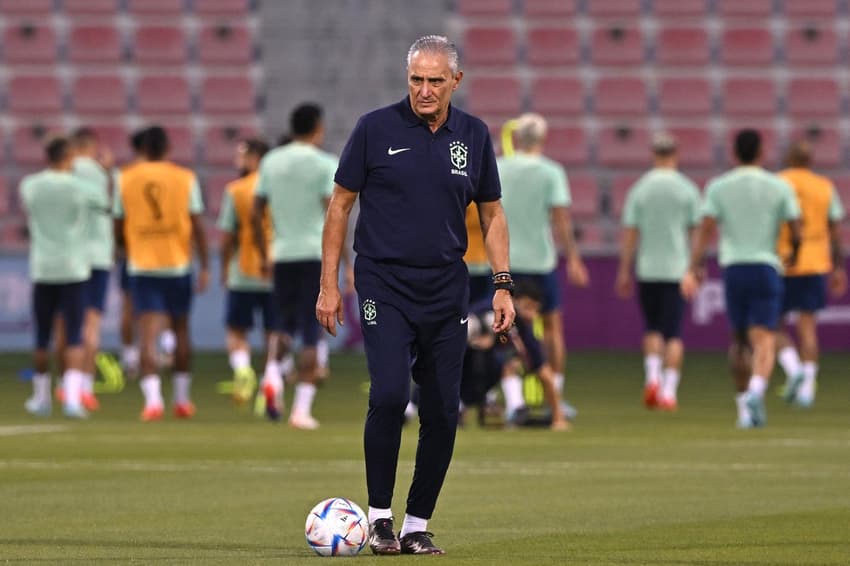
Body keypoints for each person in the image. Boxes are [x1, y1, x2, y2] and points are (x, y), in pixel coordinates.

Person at [316, 35, 514, 555]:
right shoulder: (374, 129)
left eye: (434, 81)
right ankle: (379, 518)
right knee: (387, 394)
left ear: (456, 81)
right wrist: (329, 285)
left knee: (444, 410)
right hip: (383, 282)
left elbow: (491, 213)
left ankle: (416, 525)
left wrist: (501, 284)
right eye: (416, 80)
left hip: (446, 286)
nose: (424, 90)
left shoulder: (473, 135)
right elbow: (340, 206)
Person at [682, 129, 801, 429]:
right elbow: (796, 230)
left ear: (734, 153)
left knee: (738, 341)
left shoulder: (718, 187)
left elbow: (706, 229)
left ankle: (743, 411)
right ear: (761, 152)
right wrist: (793, 256)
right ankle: (757, 391)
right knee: (764, 339)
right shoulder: (779, 186)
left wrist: (694, 265)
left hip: (733, 267)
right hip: (765, 265)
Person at [253, 103, 341, 429]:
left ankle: (273, 376)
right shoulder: (323, 163)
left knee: (280, 326)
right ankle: (301, 410)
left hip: (281, 252)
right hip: (315, 255)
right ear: (318, 127)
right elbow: (334, 215)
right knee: (311, 331)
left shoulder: (270, 161)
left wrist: (264, 252)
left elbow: (255, 209)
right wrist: (344, 259)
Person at [113, 126, 209, 421]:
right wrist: (204, 263)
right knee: (180, 331)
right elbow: (196, 224)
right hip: (178, 264)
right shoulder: (185, 177)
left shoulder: (125, 178)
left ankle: (152, 401)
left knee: (148, 334)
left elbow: (118, 222)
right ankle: (181, 400)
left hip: (142, 264)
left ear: (143, 150)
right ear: (167, 148)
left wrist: (125, 248)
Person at [498, 112, 588, 422]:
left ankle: (514, 401)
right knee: (552, 328)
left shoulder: (499, 167)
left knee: (504, 330)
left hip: (504, 261)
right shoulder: (552, 172)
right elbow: (561, 218)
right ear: (542, 139)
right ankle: (555, 398)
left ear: (517, 138)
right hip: (540, 260)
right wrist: (573, 258)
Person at [616, 133, 701, 411]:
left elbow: (631, 234)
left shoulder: (640, 189)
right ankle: (669, 391)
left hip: (648, 268)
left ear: (653, 155)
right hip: (677, 270)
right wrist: (696, 267)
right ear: (675, 154)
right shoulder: (687, 188)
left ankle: (652, 378)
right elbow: (696, 231)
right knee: (674, 334)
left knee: (652, 328)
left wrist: (624, 270)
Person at [21, 136, 105, 418]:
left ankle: (41, 397)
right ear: (69, 158)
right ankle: (71, 399)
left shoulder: (30, 185)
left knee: (42, 337)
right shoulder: (81, 188)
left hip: (43, 268)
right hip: (73, 268)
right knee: (73, 336)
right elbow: (105, 204)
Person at [774, 140, 847, 407]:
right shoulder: (824, 187)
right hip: (815, 262)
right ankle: (807, 389)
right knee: (808, 330)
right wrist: (838, 267)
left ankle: (793, 370)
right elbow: (835, 232)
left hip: (783, 260)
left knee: (772, 325)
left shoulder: (778, 183)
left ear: (789, 157)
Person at [217, 138, 275, 405]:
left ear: (256, 158)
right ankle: (270, 384)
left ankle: (242, 370)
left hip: (243, 270)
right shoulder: (280, 189)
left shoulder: (236, 190)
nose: (236, 160)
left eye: (242, 155)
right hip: (275, 270)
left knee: (236, 330)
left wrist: (223, 267)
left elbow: (228, 236)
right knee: (273, 332)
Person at [117, 128, 149, 377]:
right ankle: (161, 353)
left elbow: (118, 217)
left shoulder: (124, 175)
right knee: (164, 309)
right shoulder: (171, 175)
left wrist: (120, 245)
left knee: (129, 306)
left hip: (133, 249)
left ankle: (130, 359)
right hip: (163, 251)